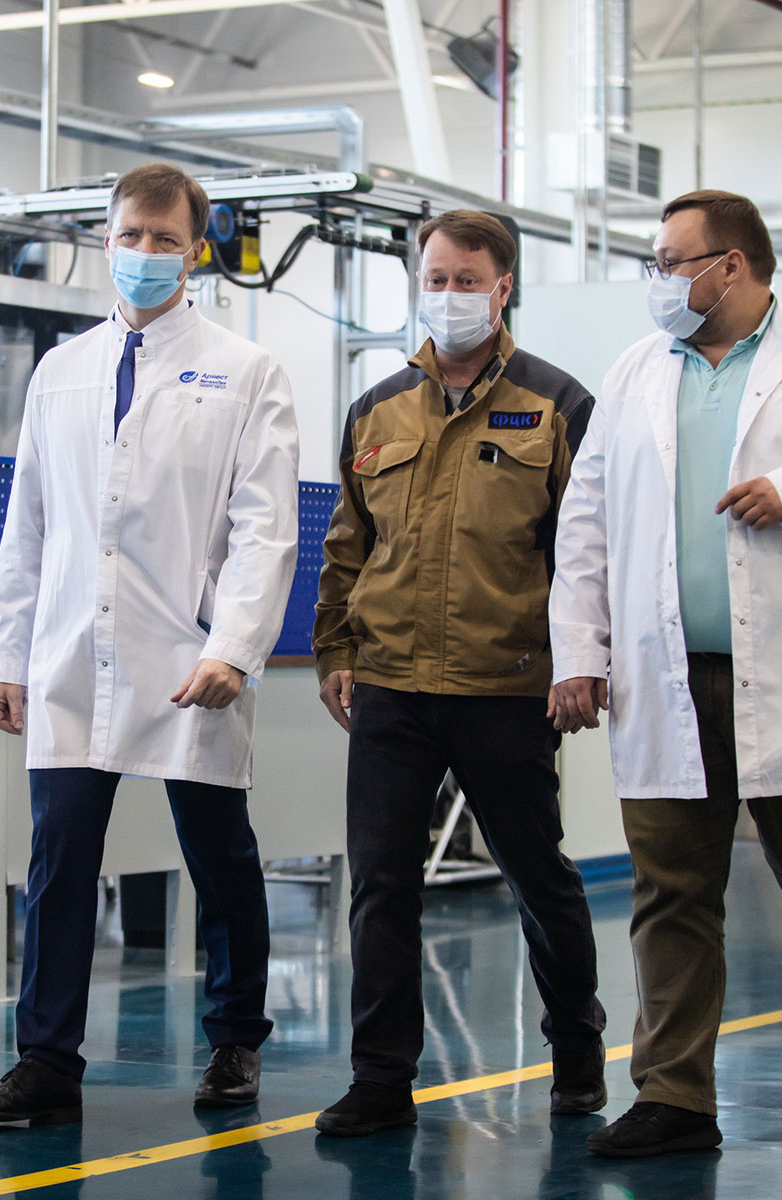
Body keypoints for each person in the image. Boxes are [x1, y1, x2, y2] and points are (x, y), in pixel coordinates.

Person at [549, 189, 782, 1157]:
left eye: (671, 262)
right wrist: (581, 651)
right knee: (671, 890)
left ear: (731, 266)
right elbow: (587, 521)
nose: (658, 280)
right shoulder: (637, 371)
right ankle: (675, 1095)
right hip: (665, 678)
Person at [0, 163, 301, 1126]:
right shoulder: (60, 370)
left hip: (189, 650)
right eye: (130, 235)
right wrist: (8, 658)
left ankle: (235, 1040)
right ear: (105, 240)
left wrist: (235, 647)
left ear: (196, 252)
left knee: (218, 855)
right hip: (72, 652)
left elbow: (266, 528)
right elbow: (27, 525)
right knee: (59, 861)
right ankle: (46, 1063)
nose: (145, 252)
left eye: (164, 238)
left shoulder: (246, 370)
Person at [311, 209, 608, 1138]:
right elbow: (348, 543)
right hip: (392, 684)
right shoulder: (377, 407)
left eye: (467, 280)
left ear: (503, 287)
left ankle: (577, 1046)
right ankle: (379, 1079)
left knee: (538, 877)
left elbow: (586, 550)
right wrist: (335, 650)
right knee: (381, 886)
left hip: (506, 685)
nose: (449, 295)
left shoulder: (557, 404)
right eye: (436, 279)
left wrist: (580, 660)